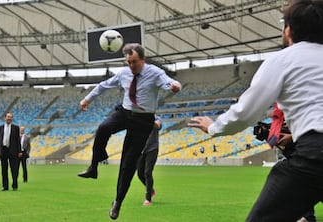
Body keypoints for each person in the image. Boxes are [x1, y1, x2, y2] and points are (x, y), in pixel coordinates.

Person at [188, 1, 323, 221]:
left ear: (288, 30)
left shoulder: (282, 60)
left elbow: (246, 112)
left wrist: (213, 127)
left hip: (314, 157)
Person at [77, 43, 181, 220]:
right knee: (103, 128)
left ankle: (118, 201)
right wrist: (87, 99)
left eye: (134, 62)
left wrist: (175, 85)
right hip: (125, 112)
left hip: (143, 120)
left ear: (143, 60)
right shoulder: (124, 73)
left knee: (128, 165)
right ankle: (94, 167)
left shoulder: (154, 72)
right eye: (128, 62)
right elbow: (104, 85)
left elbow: (169, 82)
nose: (131, 66)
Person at [0, 112, 22, 191]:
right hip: (3, 150)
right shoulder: (0, 128)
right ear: (5, 118)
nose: (9, 118)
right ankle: (5, 186)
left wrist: (19, 151)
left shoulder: (16, 128)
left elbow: (18, 140)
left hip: (13, 151)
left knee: (14, 169)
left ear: (12, 118)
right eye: (8, 117)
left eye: (10, 117)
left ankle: (15, 186)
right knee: (4, 169)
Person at [137, 115, 161, 206]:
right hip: (141, 150)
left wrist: (147, 120)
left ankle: (148, 199)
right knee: (139, 173)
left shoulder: (156, 118)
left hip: (152, 149)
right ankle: (151, 189)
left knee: (147, 172)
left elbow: (157, 125)